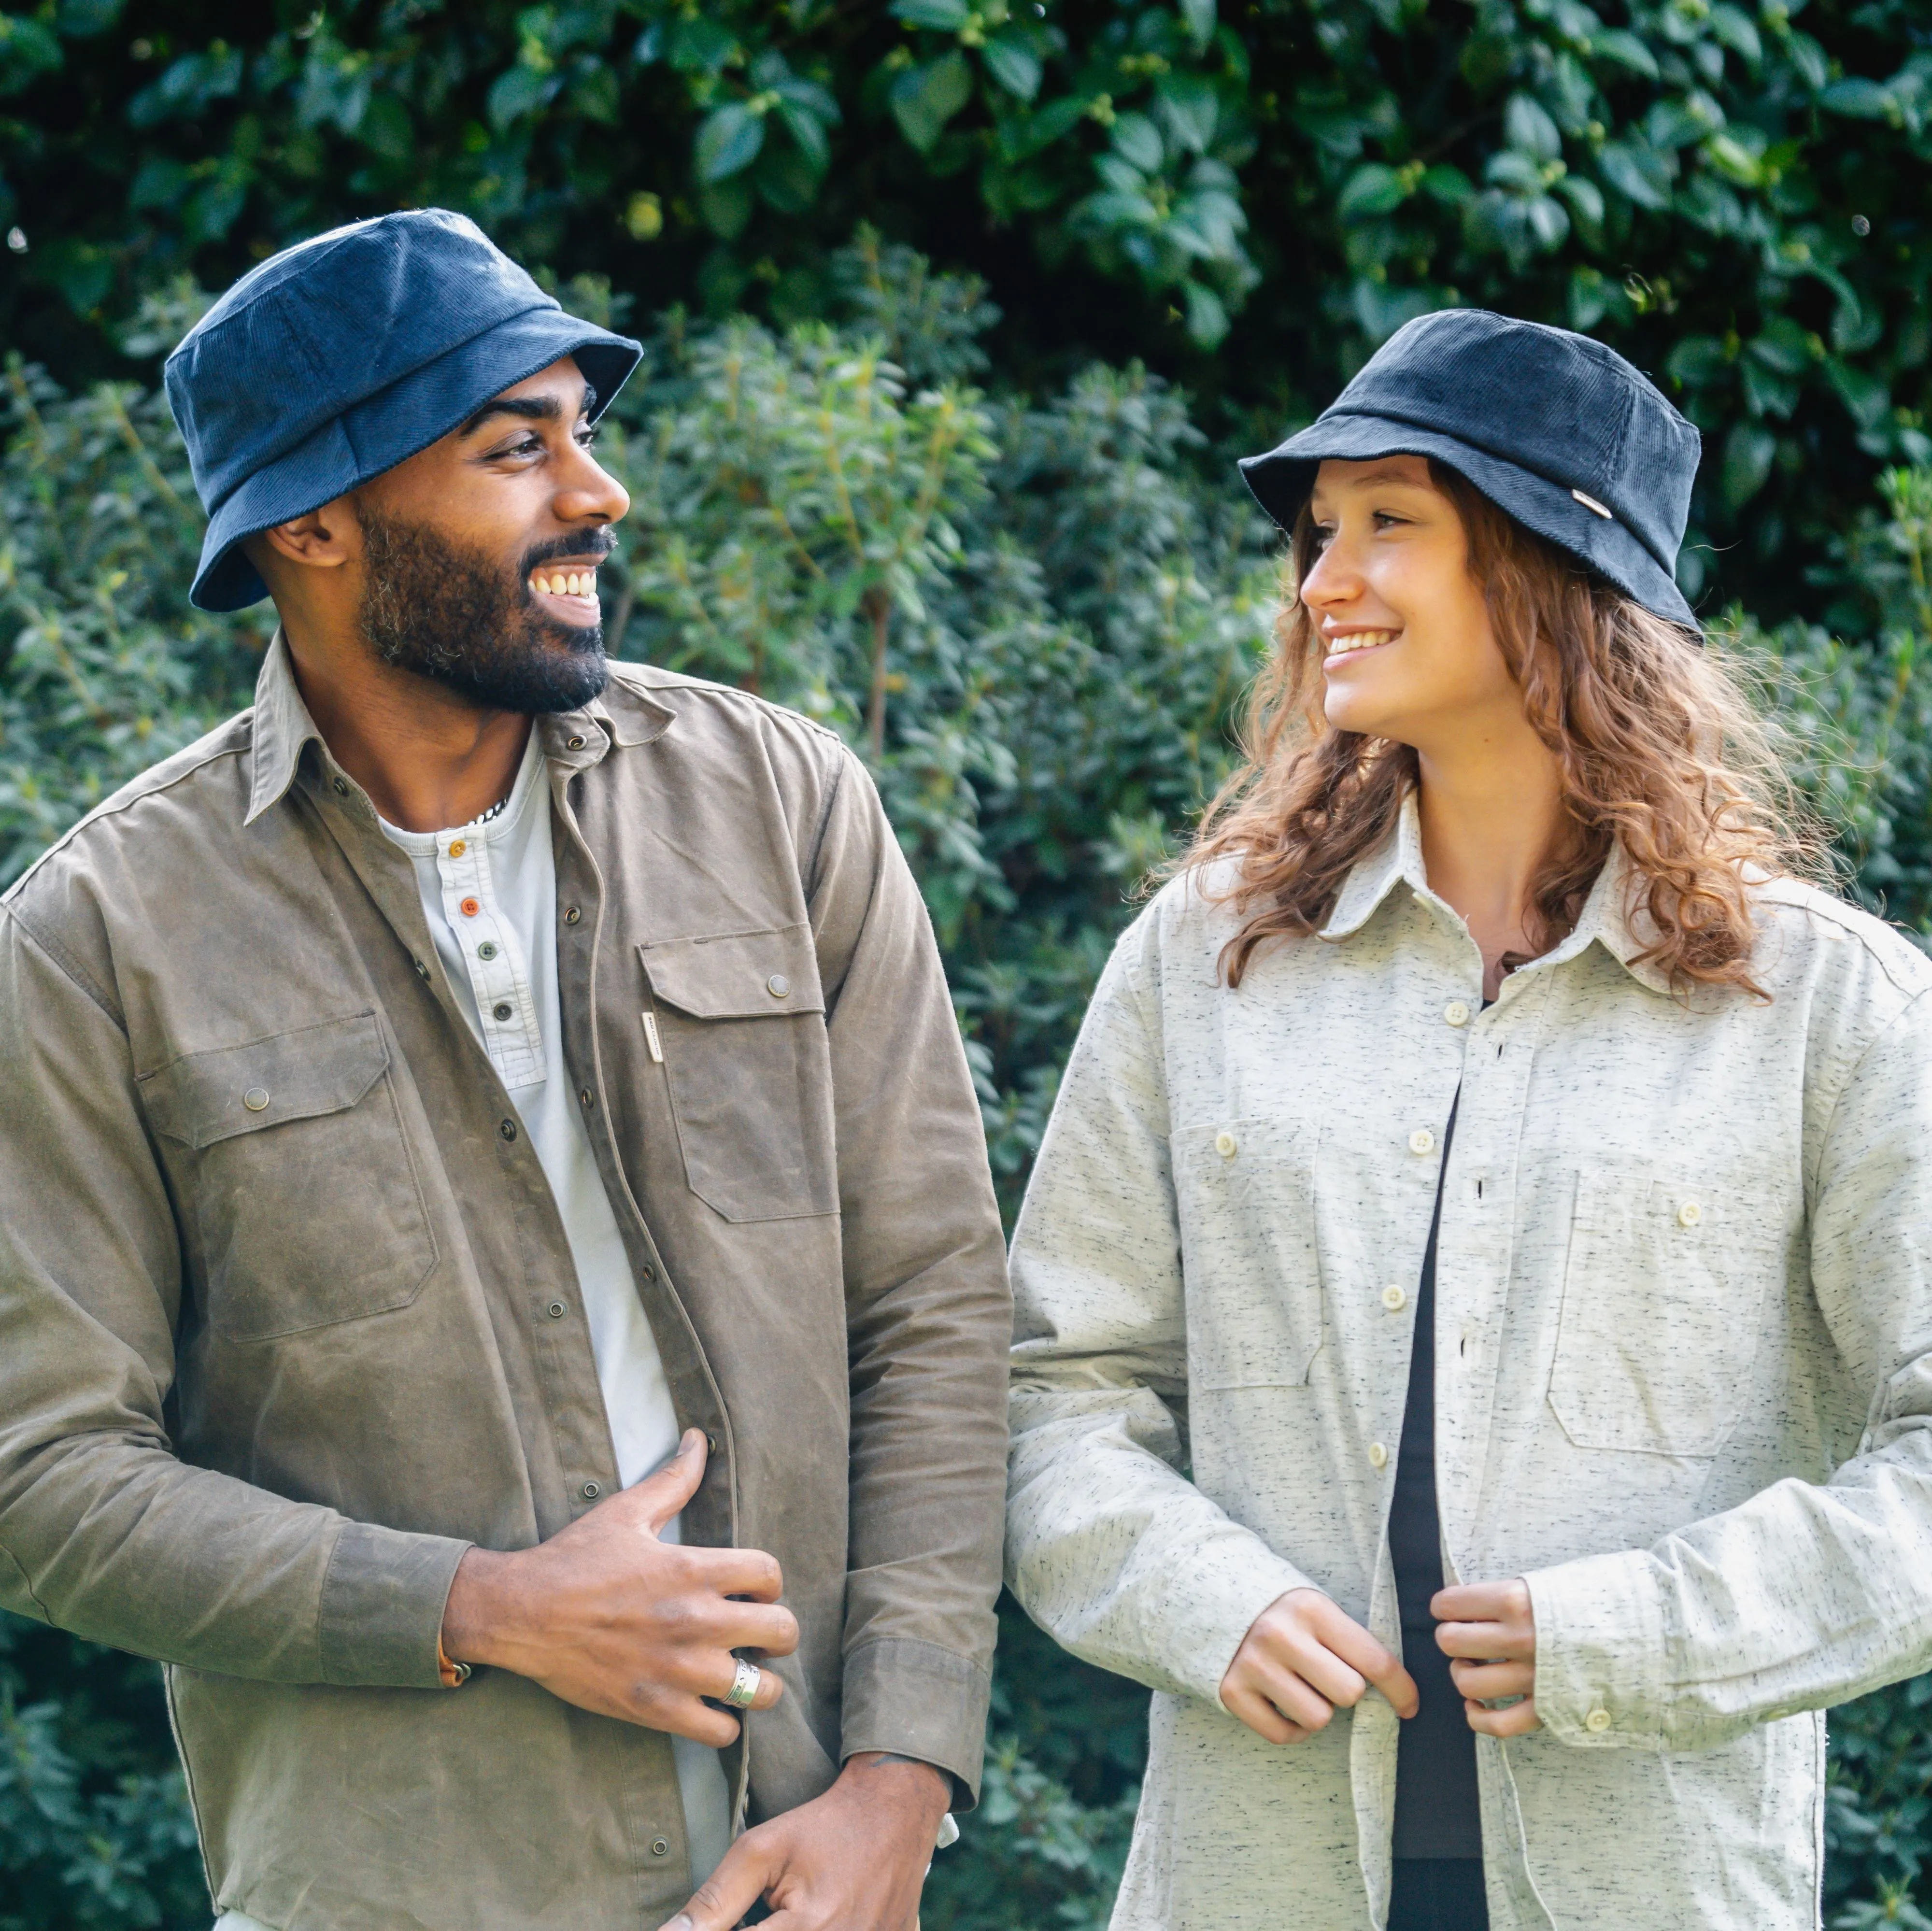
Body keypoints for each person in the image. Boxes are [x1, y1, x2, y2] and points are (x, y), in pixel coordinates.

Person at [0, 209, 1012, 1931]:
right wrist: (483, 1605)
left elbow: (931, 1300)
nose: (595, 493)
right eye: (513, 447)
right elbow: (37, 1472)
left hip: (812, 1871)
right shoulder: (96, 937)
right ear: (315, 523)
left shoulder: (781, 805)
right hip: (397, 1889)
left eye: (584, 433)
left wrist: (902, 1779)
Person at [1001, 308, 1932, 1929]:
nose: (1319, 583)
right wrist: (1199, 1596)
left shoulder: (1829, 1007)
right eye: (1317, 531)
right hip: (1255, 1874)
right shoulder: (1205, 959)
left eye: (1387, 524)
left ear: (1551, 571)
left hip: (1655, 1880)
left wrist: (1639, 1633)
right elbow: (1049, 1387)